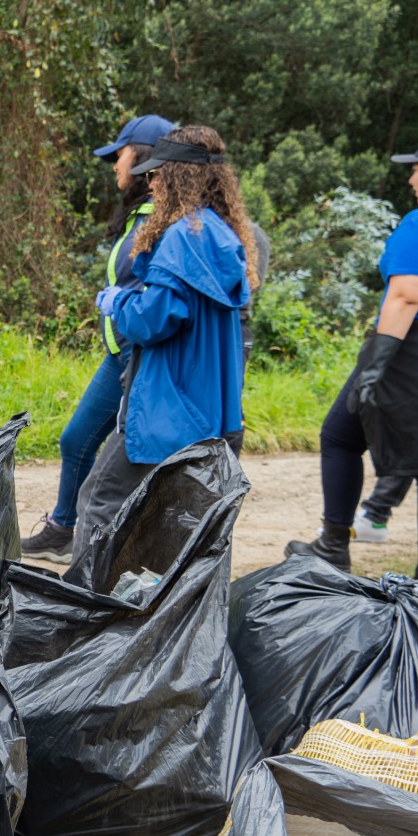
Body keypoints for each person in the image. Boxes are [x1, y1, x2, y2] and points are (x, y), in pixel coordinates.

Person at [287, 127, 418, 582]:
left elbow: (406, 297)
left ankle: (334, 544)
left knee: (339, 435)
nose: (410, 179)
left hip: (415, 356)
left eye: (415, 169)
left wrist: (375, 365)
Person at [73, 126, 260, 544]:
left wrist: (117, 303)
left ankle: (84, 604)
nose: (151, 181)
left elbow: (152, 322)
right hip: (208, 408)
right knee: (181, 520)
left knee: (100, 500)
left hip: (166, 403)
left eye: (159, 174)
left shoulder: (180, 237)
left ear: (180, 177)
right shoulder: (220, 233)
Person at [21, 114, 174, 562]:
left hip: (140, 354)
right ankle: (63, 528)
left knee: (123, 461)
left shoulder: (163, 220)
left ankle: (110, 548)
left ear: (143, 157)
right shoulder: (139, 216)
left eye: (119, 155)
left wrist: (122, 304)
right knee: (76, 439)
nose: (114, 165)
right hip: (119, 350)